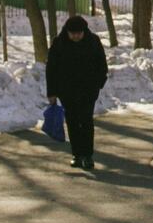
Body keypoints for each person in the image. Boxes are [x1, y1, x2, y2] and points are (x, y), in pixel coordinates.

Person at [45, 14, 108, 169]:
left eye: (78, 33)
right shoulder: (59, 43)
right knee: (72, 122)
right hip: (67, 91)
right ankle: (76, 154)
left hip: (88, 90)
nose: (76, 37)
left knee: (86, 121)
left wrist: (98, 84)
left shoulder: (93, 42)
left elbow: (102, 65)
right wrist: (52, 93)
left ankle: (87, 155)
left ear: (84, 31)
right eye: (73, 34)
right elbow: (51, 69)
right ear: (67, 32)